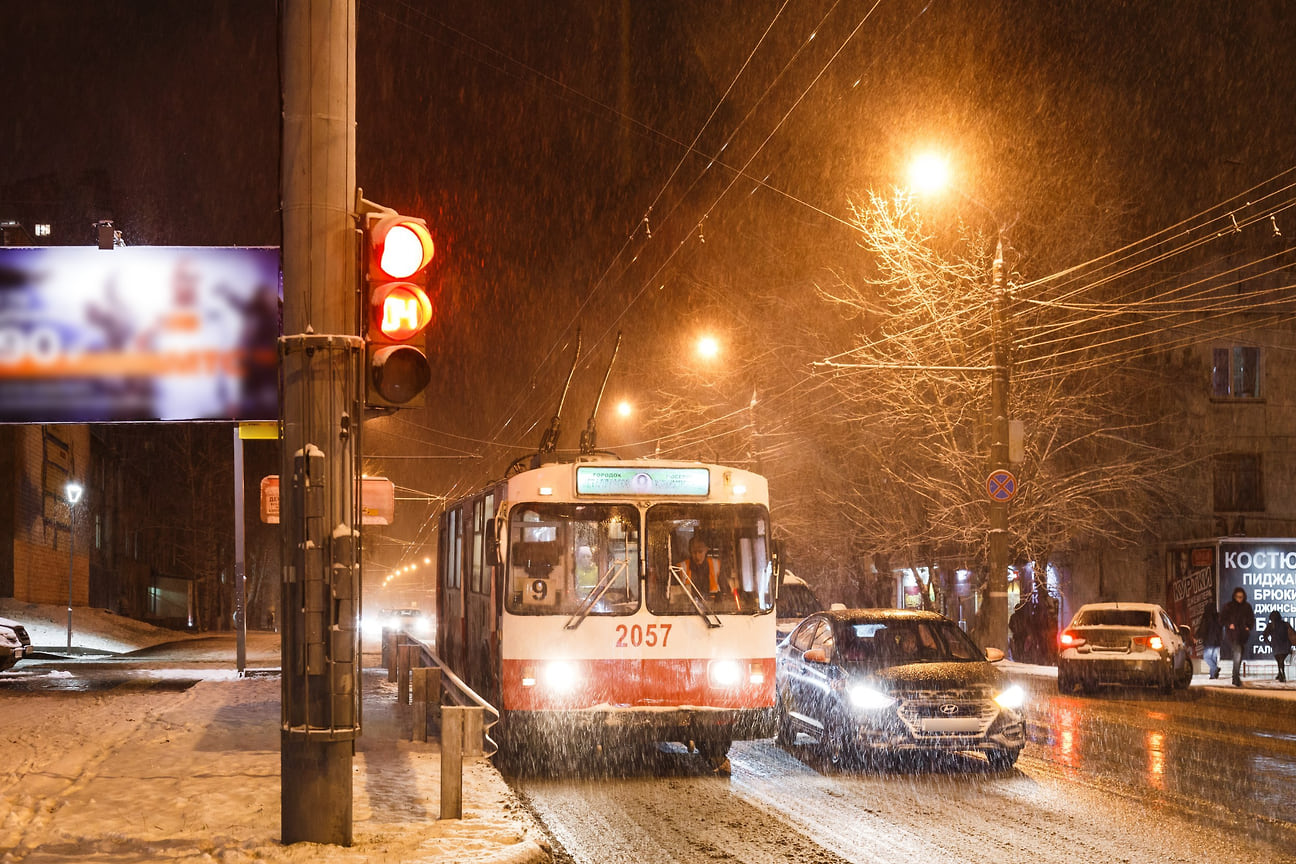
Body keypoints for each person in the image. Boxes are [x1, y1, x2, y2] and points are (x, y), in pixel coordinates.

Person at [1220, 587, 1256, 687]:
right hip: (1233, 635)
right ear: (1234, 597)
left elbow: (1251, 618)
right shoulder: (1229, 606)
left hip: (1243, 636)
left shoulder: (1246, 607)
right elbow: (1222, 619)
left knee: (1238, 656)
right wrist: (1229, 624)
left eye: (1241, 597)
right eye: (1237, 597)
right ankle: (1235, 677)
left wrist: (1248, 627)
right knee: (1237, 654)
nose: (1239, 599)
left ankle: (1235, 676)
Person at [1262, 609, 1292, 683]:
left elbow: (1264, 636)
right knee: (1281, 661)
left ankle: (1282, 676)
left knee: (1279, 661)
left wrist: (1270, 643)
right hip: (1286, 646)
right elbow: (1292, 634)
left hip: (1276, 647)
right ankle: (1280, 674)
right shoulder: (1285, 624)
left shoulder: (1270, 626)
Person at [1196, 603, 1223, 680]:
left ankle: (1215, 668)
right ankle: (1213, 675)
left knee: (1207, 657)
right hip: (1217, 641)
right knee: (1213, 658)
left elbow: (1203, 629)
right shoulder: (1218, 617)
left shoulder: (1206, 617)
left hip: (1209, 641)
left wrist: (1197, 636)